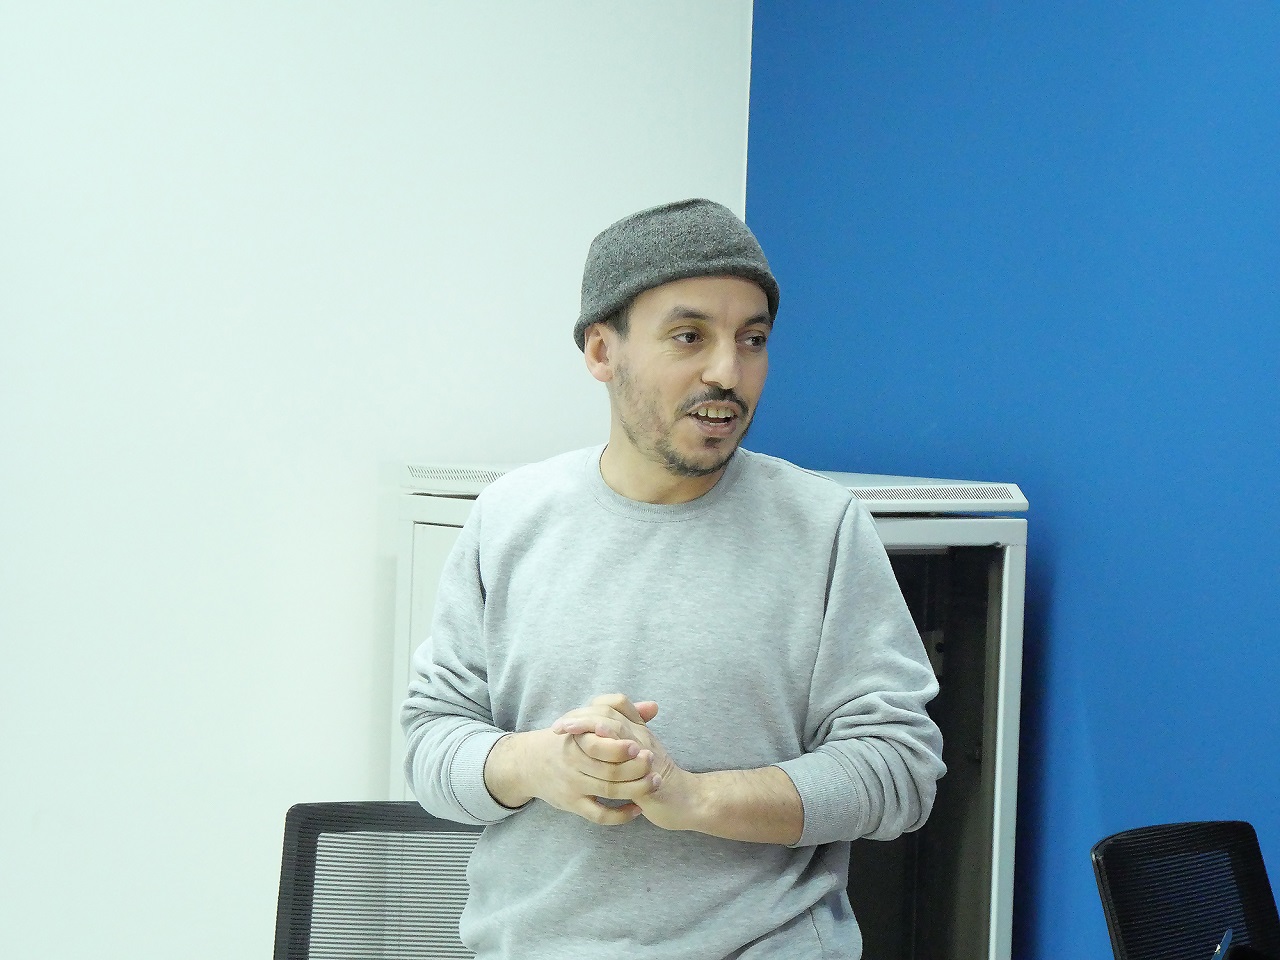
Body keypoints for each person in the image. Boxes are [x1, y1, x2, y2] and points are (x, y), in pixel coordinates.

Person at [402, 198, 946, 959]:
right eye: (690, 336)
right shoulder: (508, 518)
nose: (728, 372)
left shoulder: (824, 527)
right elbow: (430, 740)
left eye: (752, 340)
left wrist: (690, 795)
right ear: (602, 351)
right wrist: (539, 764)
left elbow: (899, 770)